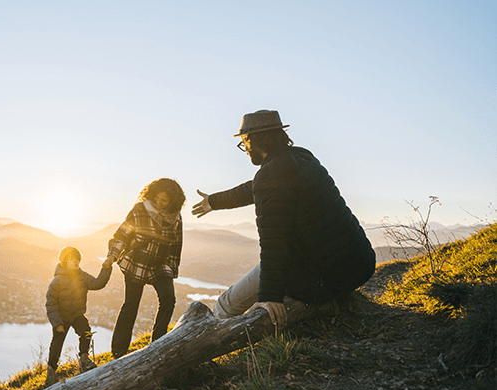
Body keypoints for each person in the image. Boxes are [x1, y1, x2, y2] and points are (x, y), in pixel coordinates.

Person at [192, 110, 375, 324]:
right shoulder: (301, 157)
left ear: (253, 140)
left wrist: (269, 297)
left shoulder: (270, 175)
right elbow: (255, 188)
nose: (245, 149)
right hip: (359, 264)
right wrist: (214, 201)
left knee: (226, 303)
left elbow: (274, 245)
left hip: (327, 279)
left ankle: (218, 346)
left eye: (244, 142)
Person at [104, 178, 185, 359]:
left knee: (168, 299)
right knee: (131, 304)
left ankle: (158, 343)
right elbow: (121, 235)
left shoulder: (176, 217)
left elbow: (176, 245)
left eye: (164, 200)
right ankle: (118, 351)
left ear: (172, 202)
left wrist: (172, 270)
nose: (158, 202)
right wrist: (112, 256)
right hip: (137, 261)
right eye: (156, 198)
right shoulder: (140, 210)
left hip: (160, 263)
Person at [44, 246, 113, 387]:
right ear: (64, 261)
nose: (76, 261)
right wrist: (57, 323)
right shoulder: (57, 281)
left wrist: (106, 268)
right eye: (72, 259)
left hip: (76, 315)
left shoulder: (82, 276)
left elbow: (97, 283)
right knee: (57, 343)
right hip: (61, 317)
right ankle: (51, 369)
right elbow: (50, 304)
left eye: (77, 259)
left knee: (86, 332)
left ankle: (84, 359)